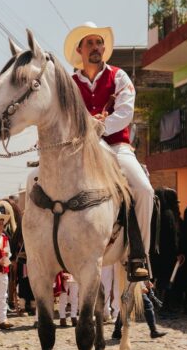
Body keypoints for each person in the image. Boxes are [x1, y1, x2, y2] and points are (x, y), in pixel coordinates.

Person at [64, 22, 151, 281]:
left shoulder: (119, 76)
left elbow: (125, 114)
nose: (96, 47)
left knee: (145, 190)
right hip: (80, 149)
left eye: (99, 42)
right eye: (89, 43)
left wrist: (98, 126)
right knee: (41, 181)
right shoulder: (69, 85)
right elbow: (65, 118)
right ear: (80, 50)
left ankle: (139, 256)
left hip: (116, 146)